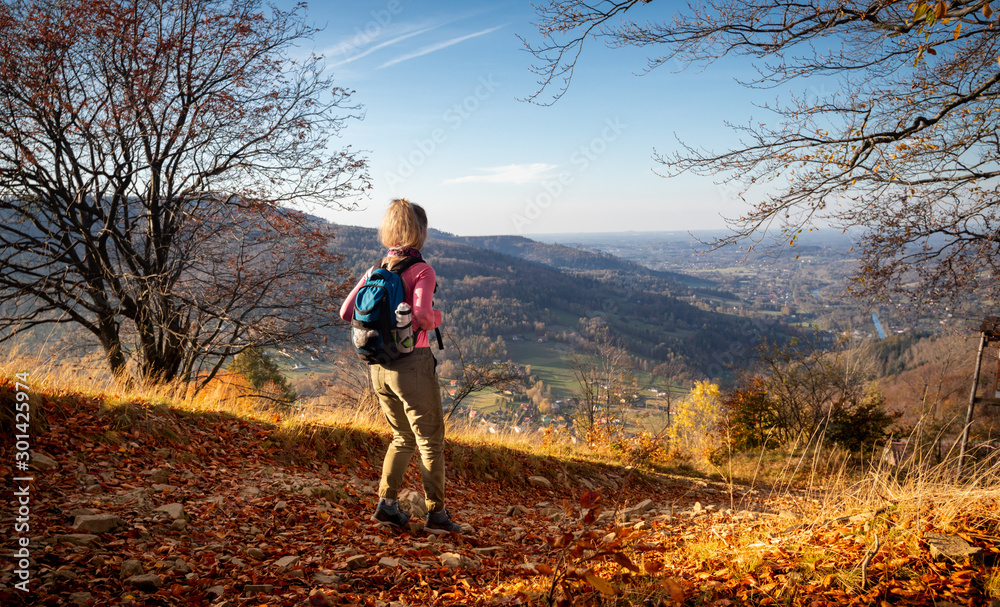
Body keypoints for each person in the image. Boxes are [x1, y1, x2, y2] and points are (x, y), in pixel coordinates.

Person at [339, 198, 461, 534]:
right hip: (412, 364)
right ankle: (436, 516)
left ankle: (387, 506)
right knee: (430, 441)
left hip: (378, 366)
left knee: (401, 436)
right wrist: (438, 317)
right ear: (420, 232)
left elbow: (346, 313)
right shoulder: (422, 270)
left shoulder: (375, 270)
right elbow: (422, 316)